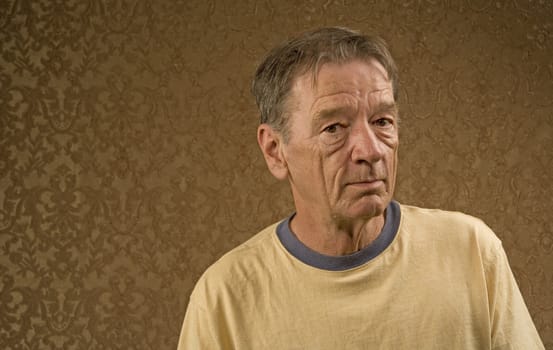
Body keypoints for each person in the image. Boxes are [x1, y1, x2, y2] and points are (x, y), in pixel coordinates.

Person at [177, 27, 544, 349]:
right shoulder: (224, 297)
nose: (370, 151)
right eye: (334, 128)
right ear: (275, 151)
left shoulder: (472, 252)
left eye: (382, 121)